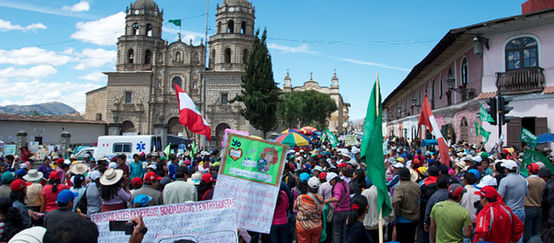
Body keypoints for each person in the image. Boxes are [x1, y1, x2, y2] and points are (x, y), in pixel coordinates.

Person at [497, 159, 527, 241]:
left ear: (506, 169)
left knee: (508, 236)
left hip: (509, 212)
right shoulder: (523, 180)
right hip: (521, 210)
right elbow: (526, 193)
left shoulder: (505, 181)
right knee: (520, 235)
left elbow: (499, 196)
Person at [392, 167, 420, 243]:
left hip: (403, 219)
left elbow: (395, 201)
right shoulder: (417, 186)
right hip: (414, 218)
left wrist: (397, 213)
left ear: (399, 177)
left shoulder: (399, 188)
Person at [294, 177, 324, 243]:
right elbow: (321, 210)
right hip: (317, 225)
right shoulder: (320, 198)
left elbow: (295, 207)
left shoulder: (301, 197)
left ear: (308, 187)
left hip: (303, 226)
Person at [324, 171, 350, 243]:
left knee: (336, 233)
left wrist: (326, 200)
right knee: (343, 232)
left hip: (339, 211)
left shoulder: (337, 186)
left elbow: (337, 198)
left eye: (330, 182)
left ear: (333, 180)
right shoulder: (345, 183)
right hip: (347, 210)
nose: (330, 184)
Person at [524, 163, 546, 242]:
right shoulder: (542, 181)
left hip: (528, 207)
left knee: (527, 230)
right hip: (538, 207)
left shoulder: (527, 181)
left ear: (529, 170)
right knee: (537, 230)